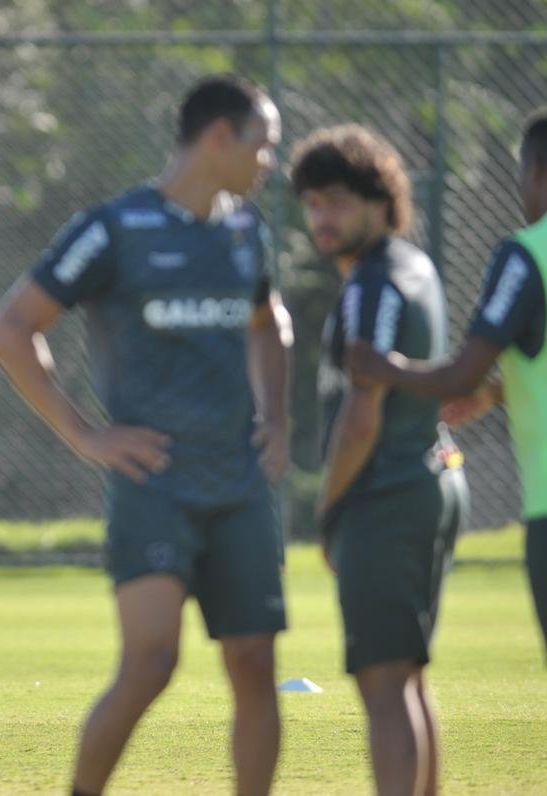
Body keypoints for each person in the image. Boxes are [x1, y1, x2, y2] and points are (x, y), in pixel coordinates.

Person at [0, 75, 291, 795]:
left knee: (254, 662)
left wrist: (276, 417)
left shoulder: (247, 230)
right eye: (263, 143)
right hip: (155, 484)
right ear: (219, 137)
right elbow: (10, 328)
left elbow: (270, 322)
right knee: (152, 663)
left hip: (239, 485)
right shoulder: (114, 228)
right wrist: (84, 435)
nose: (269, 160)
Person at [291, 124, 468, 796]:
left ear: (379, 198)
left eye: (335, 201)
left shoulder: (373, 283)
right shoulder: (415, 266)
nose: (321, 218)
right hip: (431, 480)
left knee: (384, 685)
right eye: (311, 204)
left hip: (387, 493)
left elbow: (362, 418)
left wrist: (329, 505)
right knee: (407, 680)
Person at [350, 110, 547, 654]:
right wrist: (499, 392)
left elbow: (462, 371)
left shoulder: (528, 253)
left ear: (535, 172)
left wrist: (384, 366)